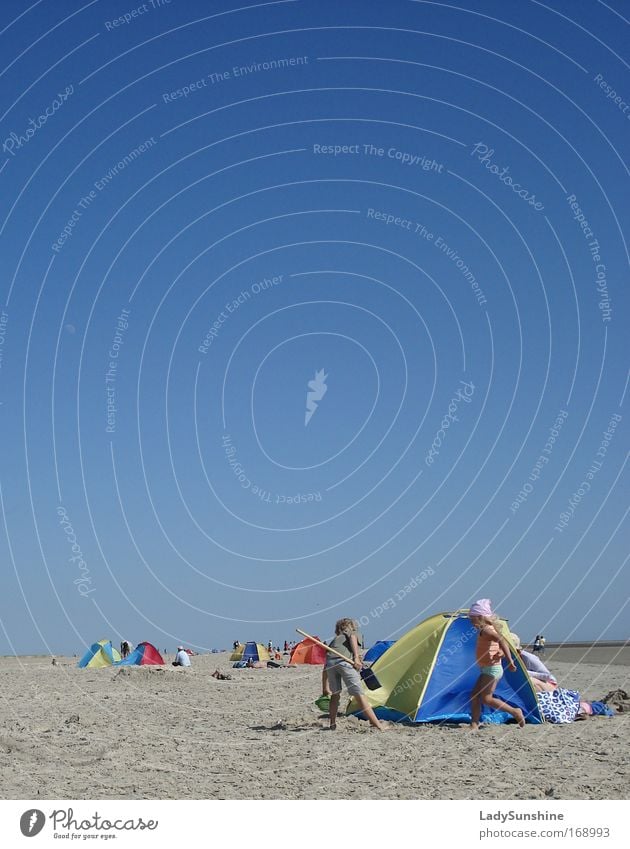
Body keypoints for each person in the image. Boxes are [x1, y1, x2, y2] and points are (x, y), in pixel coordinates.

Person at [468, 600, 525, 729]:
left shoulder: (487, 631)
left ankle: (515, 711)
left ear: (480, 617)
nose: (471, 621)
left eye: (472, 618)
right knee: (475, 695)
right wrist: (500, 652)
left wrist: (510, 660)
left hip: (492, 669)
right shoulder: (486, 629)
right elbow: (498, 643)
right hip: (487, 669)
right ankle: (474, 724)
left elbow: (502, 641)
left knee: (487, 698)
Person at [325, 618, 383, 731]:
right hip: (344, 663)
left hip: (330, 663)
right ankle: (377, 724)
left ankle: (332, 724)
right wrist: (356, 657)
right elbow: (353, 637)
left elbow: (325, 664)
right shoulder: (352, 632)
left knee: (335, 694)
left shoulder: (335, 640)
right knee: (359, 694)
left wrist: (325, 687)